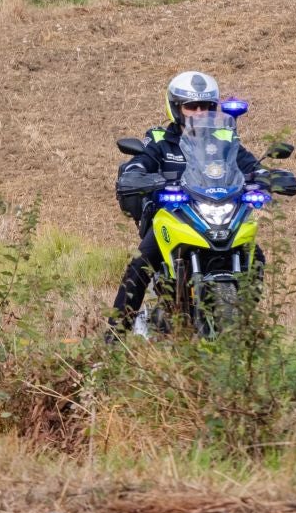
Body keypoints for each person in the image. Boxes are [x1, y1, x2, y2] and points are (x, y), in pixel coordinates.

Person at [110, 72, 264, 334]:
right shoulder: (159, 140)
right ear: (176, 108)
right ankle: (113, 338)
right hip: (174, 216)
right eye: (192, 106)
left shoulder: (225, 141)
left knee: (256, 254)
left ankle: (243, 322)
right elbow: (141, 162)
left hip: (217, 211)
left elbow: (248, 164)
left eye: (206, 106)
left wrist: (266, 175)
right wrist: (135, 173)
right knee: (142, 262)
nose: (199, 112)